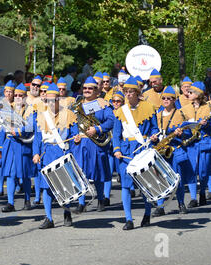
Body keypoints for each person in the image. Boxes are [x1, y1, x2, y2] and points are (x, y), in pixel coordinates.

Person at [112, 76, 159, 230]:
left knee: (145, 184)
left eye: (131, 91)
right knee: (126, 185)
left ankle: (146, 215)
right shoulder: (120, 111)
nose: (128, 94)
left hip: (142, 147)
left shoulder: (149, 107)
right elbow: (116, 134)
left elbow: (154, 128)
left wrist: (154, 136)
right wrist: (117, 149)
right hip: (126, 150)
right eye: (126, 92)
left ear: (138, 92)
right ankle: (129, 219)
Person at [32, 83, 79, 229]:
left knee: (64, 184)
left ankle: (67, 213)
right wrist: (36, 153)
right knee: (46, 187)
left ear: (59, 99)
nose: (51, 103)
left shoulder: (69, 115)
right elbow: (37, 138)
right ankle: (48, 218)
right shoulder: (41, 116)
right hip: (47, 153)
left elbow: (74, 135)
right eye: (48, 100)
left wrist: (77, 139)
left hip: (62, 152)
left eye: (54, 100)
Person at [73, 77, 115, 213]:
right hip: (81, 143)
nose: (86, 90)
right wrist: (74, 135)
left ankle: (101, 199)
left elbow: (111, 121)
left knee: (98, 172)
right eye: (85, 88)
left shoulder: (103, 104)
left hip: (97, 142)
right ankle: (81, 202)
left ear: (97, 91)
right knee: (80, 172)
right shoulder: (77, 104)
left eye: (90, 88)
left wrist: (97, 129)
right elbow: (72, 122)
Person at [152, 86, 193, 217]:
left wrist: (181, 133)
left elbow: (188, 132)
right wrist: (153, 136)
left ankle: (181, 203)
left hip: (174, 150)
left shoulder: (180, 114)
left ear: (174, 100)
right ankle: (160, 206)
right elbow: (153, 130)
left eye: (169, 98)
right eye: (163, 98)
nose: (165, 100)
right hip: (160, 150)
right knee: (160, 179)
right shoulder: (157, 115)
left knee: (177, 178)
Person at [0, 83, 36, 212]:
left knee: (24, 173)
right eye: (16, 95)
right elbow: (0, 127)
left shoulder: (30, 109)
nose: (18, 98)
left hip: (23, 143)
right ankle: (10, 202)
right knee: (10, 173)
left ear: (26, 97)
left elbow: (31, 126)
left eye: (21, 95)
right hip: (10, 143)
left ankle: (27, 200)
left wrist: (19, 131)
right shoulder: (8, 108)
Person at [179, 81, 211, 208]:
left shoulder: (209, 107)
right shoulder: (184, 109)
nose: (188, 94)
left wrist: (208, 124)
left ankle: (202, 193)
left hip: (204, 142)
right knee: (191, 170)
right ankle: (193, 198)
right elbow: (181, 125)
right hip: (191, 143)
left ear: (198, 94)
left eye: (191, 92)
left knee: (204, 171)